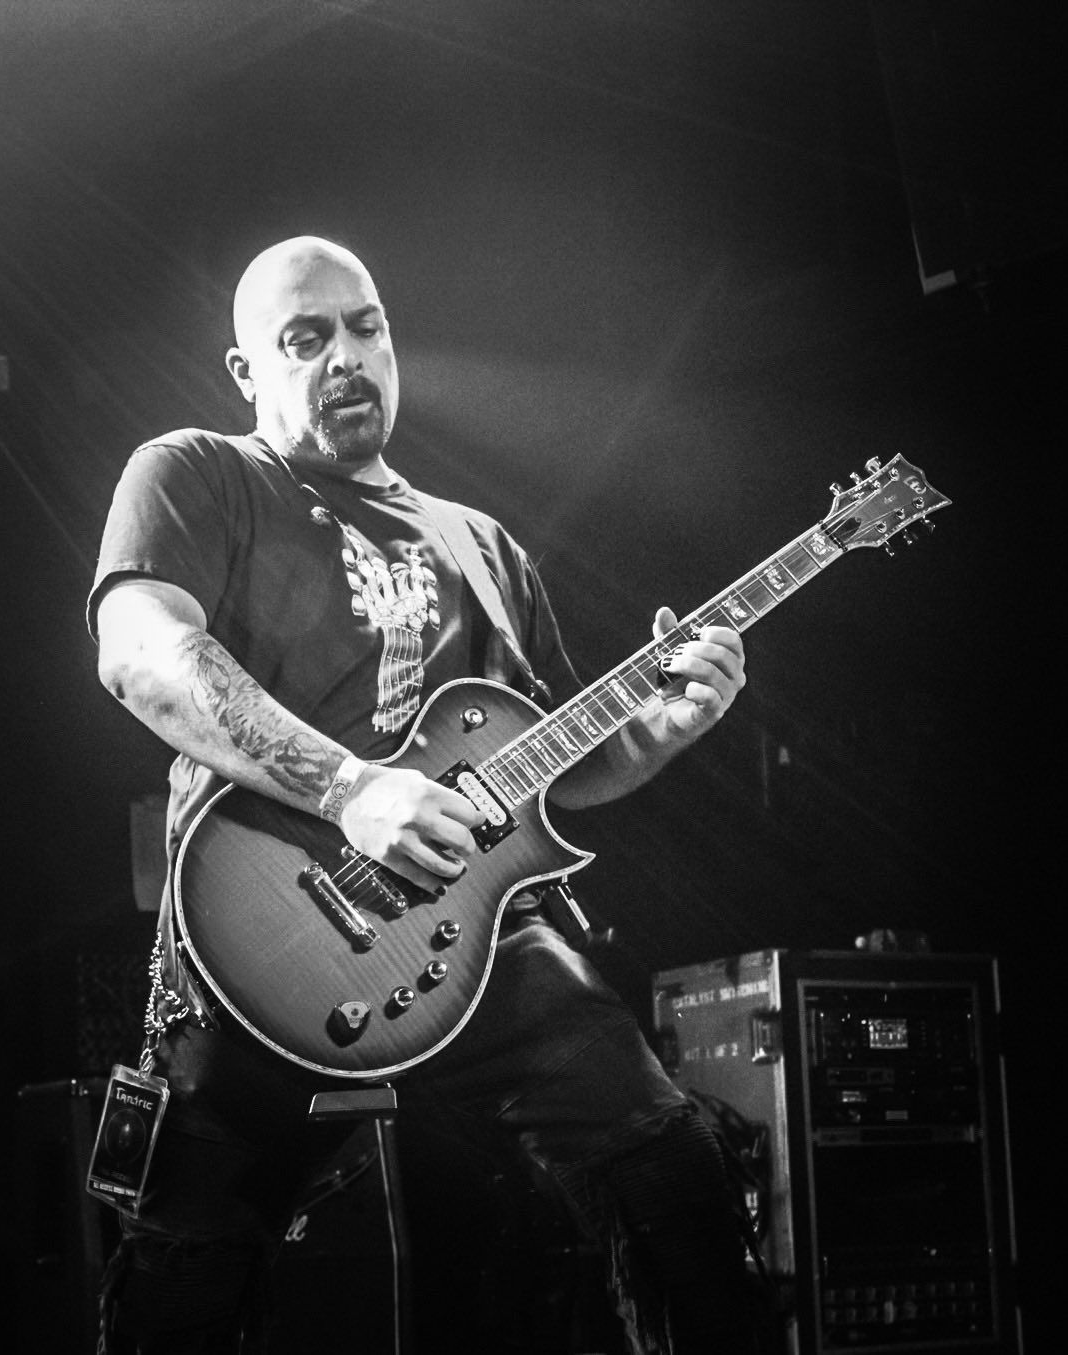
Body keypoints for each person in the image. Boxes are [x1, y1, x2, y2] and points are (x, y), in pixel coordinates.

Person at [89, 235, 765, 1353]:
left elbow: (556, 770)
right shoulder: (196, 472)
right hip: (262, 932)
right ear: (247, 370)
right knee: (187, 1272)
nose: (346, 356)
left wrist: (662, 730)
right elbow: (140, 650)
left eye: (367, 327)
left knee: (674, 1171)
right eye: (306, 338)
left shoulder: (482, 546)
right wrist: (351, 786)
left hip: (476, 948)